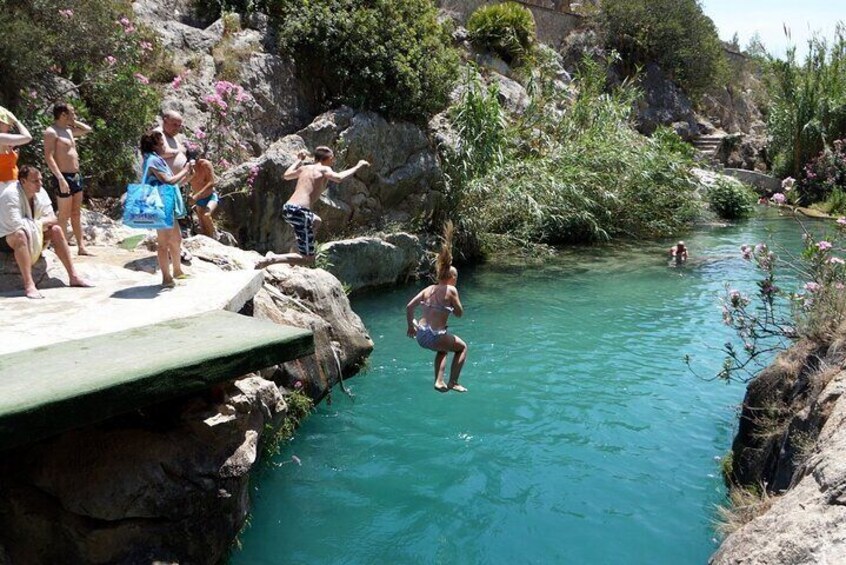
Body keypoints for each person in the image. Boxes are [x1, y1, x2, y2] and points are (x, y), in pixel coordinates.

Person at [256, 147, 369, 268]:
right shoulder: (325, 169)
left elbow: (286, 175)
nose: (333, 161)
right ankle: (272, 259)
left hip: (288, 208)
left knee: (316, 221)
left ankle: (293, 256)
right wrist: (358, 166)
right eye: (333, 159)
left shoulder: (305, 168)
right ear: (330, 158)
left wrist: (299, 160)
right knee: (308, 259)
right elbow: (339, 178)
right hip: (300, 212)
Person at [0, 165, 93, 299]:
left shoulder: (41, 192)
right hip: (6, 238)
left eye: (41, 180)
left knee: (56, 230)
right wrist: (40, 223)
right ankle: (29, 285)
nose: (40, 184)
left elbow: (53, 219)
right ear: (23, 181)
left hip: (31, 233)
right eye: (35, 181)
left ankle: (73, 276)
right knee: (20, 234)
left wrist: (37, 224)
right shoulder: (10, 194)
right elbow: (16, 225)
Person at [405, 222, 469, 393]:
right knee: (462, 347)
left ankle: (438, 381)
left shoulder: (429, 289)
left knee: (443, 350)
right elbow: (460, 314)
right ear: (452, 277)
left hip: (421, 334)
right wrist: (454, 307)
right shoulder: (451, 290)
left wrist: (411, 326)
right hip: (435, 336)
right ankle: (453, 381)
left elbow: (409, 306)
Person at [139, 130, 195, 288]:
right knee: (163, 243)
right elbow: (168, 181)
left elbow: (174, 183)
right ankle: (166, 277)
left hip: (167, 204)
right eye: (162, 143)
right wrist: (185, 170)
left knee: (176, 239)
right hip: (160, 205)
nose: (165, 146)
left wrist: (188, 176)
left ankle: (177, 270)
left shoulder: (157, 160)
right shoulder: (152, 161)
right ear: (154, 145)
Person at [44, 102, 92, 256]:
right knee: (63, 215)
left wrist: (73, 121)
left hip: (76, 176)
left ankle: (81, 247)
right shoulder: (52, 132)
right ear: (63, 115)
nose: (75, 115)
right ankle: (61, 248)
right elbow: (48, 157)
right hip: (63, 176)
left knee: (76, 213)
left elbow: (87, 129)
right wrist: (59, 178)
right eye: (72, 113)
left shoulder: (68, 130)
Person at [154, 110, 193, 262]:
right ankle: (171, 252)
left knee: (173, 221)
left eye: (179, 125)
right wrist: (179, 152)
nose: (177, 127)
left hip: (173, 185)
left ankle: (176, 251)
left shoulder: (171, 136)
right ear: (164, 120)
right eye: (174, 124)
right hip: (162, 185)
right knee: (167, 222)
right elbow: (161, 152)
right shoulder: (157, 134)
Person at [0, 107, 33, 192]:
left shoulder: (4, 140)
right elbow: (28, 137)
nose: (10, 126)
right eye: (8, 123)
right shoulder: (1, 138)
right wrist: (16, 121)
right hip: (3, 187)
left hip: (9, 186)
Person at [188, 158, 217, 237]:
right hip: (198, 200)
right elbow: (187, 183)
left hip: (210, 196)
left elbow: (211, 182)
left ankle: (215, 236)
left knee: (206, 215)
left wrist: (197, 195)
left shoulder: (205, 164)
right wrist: (190, 194)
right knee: (203, 225)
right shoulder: (187, 168)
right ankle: (209, 239)